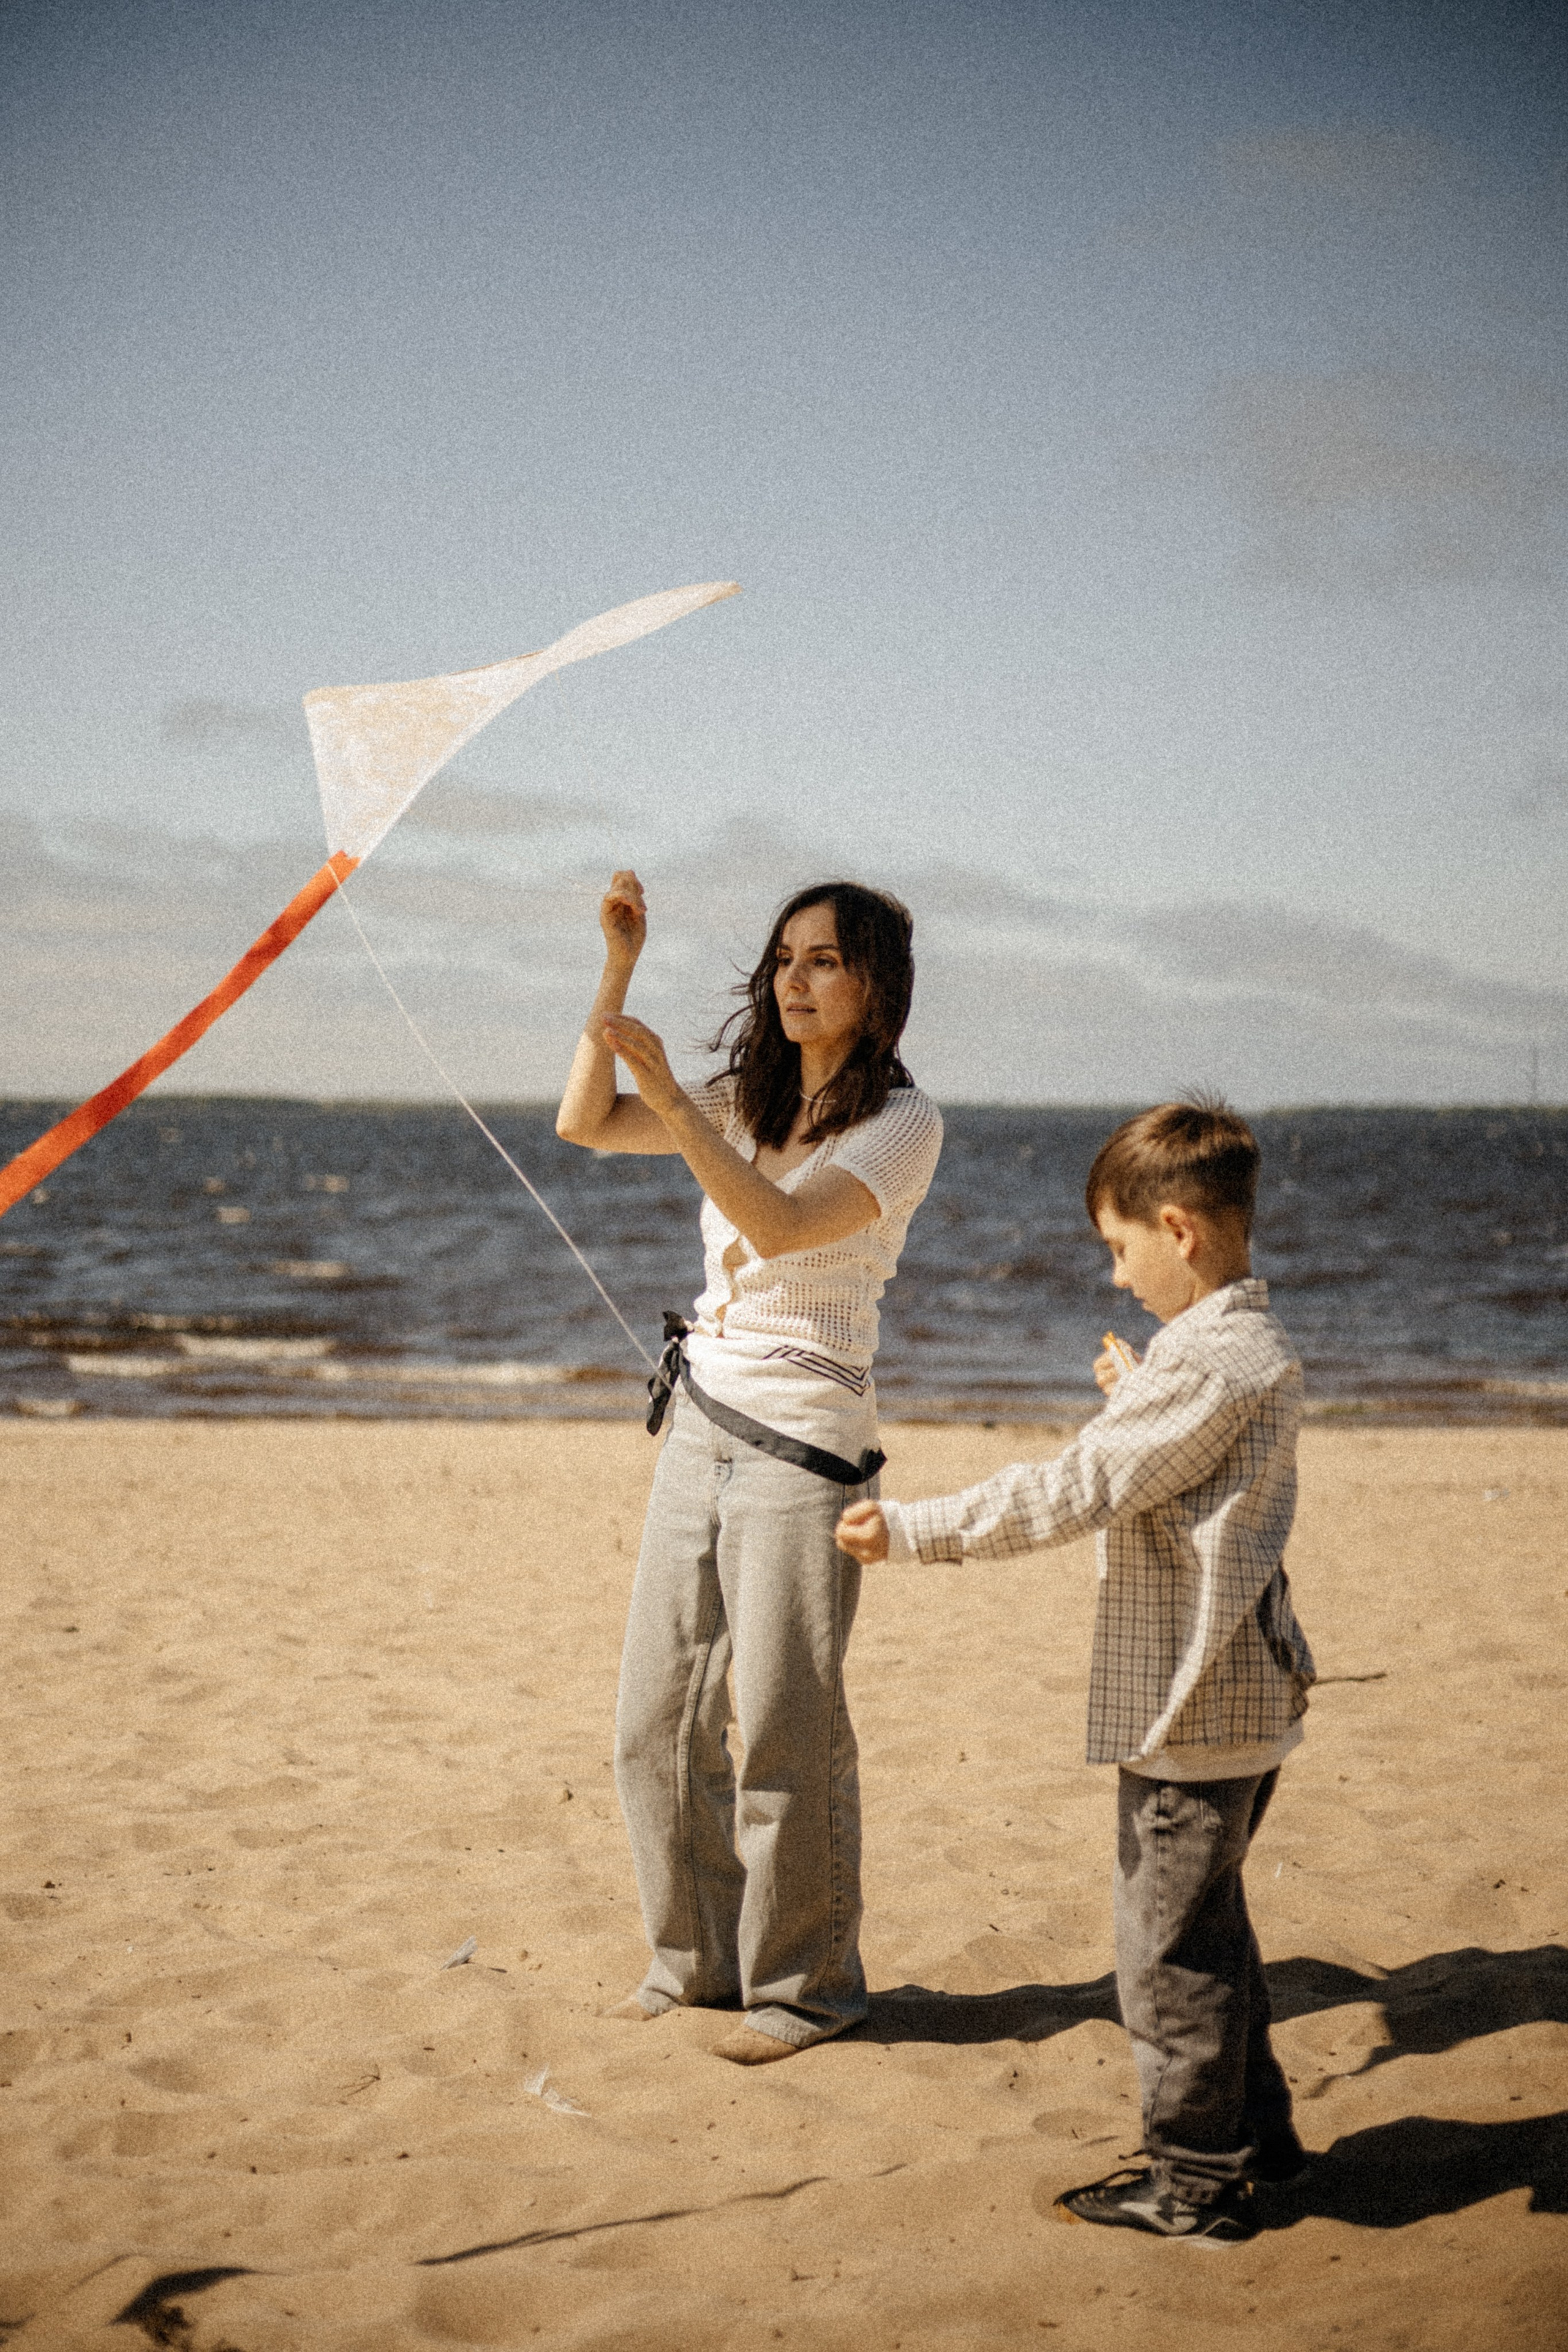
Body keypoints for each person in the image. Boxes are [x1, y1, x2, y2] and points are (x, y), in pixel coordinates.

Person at [836, 1100, 1316, 2239]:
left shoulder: (1207, 1368)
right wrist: (1135, 1393)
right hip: (1242, 1695)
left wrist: (909, 1530)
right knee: (1215, 1933)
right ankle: (1268, 2141)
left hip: (1194, 1705)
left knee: (1167, 1957)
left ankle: (1198, 2181)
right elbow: (1172, 1455)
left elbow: (1071, 1492)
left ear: (1179, 1231)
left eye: (1119, 1248)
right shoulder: (1230, 1347)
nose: (1115, 1277)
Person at [556, 870, 943, 2063]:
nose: (792, 979)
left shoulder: (900, 1122)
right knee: (655, 1721)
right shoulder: (739, 1097)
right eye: (782, 959)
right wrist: (618, 967)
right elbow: (582, 1120)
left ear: (874, 986)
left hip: (806, 1452)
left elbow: (778, 1226)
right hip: (700, 1428)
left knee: (784, 1724)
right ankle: (695, 1963)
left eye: (821, 960)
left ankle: (810, 1986)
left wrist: (674, 1100)